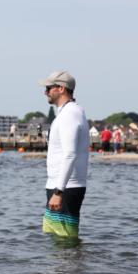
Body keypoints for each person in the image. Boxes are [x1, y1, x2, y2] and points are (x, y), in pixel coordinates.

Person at [38, 71, 89, 240]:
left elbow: (70, 154)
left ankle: (71, 267)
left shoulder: (70, 114)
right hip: (61, 186)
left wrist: (58, 192)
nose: (45, 92)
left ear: (61, 88)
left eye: (48, 88)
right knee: (55, 239)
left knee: (64, 241)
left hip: (65, 188)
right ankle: (64, 267)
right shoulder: (68, 112)